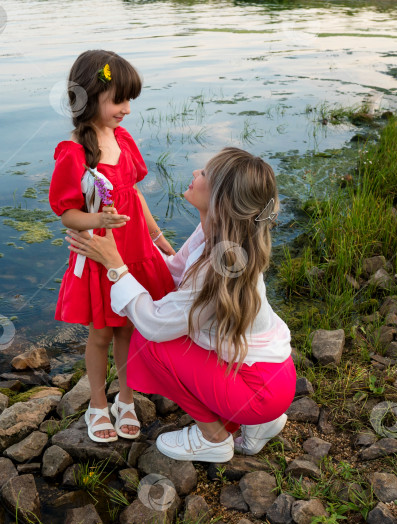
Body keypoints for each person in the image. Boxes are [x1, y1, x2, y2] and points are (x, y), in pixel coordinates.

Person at [65, 147, 297, 462]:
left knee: (149, 341)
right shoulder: (217, 235)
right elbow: (172, 272)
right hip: (275, 376)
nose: (194, 174)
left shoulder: (219, 266)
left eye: (203, 174)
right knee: (165, 325)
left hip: (258, 391)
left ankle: (213, 438)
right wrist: (132, 247)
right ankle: (260, 426)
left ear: (220, 201)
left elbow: (156, 325)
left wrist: (116, 267)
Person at [49, 50, 176, 443]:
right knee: (102, 332)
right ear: (89, 97)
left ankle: (127, 397)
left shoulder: (122, 139)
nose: (126, 110)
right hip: (102, 254)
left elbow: (134, 194)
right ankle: (98, 403)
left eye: (129, 100)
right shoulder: (73, 151)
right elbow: (67, 212)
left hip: (134, 249)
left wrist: (157, 238)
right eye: (119, 100)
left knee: (129, 331)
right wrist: (98, 220)